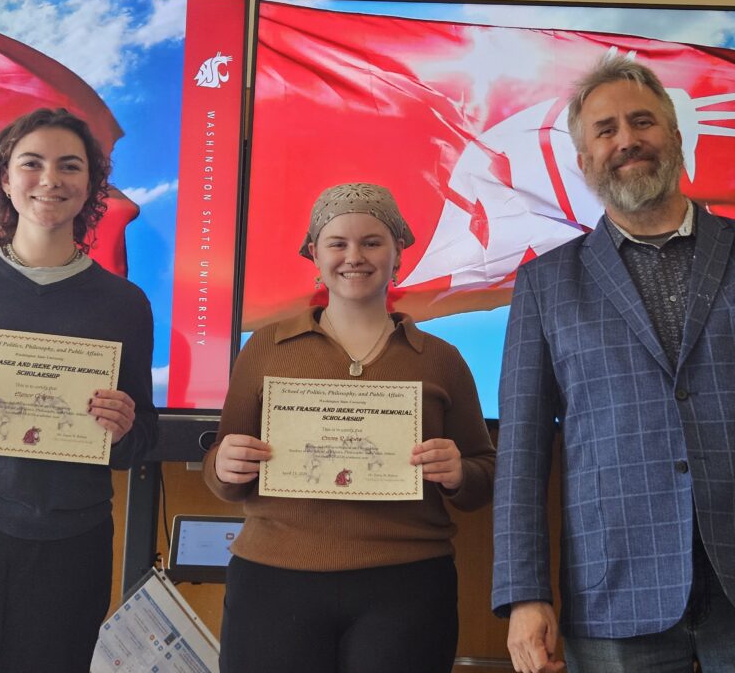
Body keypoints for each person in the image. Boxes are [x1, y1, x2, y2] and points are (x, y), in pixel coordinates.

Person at [492, 56, 735, 673]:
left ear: (676, 136)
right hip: (614, 590)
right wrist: (524, 594)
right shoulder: (545, 285)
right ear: (584, 161)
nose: (626, 139)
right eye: (606, 130)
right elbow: (521, 453)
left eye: (642, 122)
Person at [203, 182, 495, 673]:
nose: (354, 256)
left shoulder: (442, 360)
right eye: (337, 243)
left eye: (371, 242)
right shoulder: (265, 348)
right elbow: (222, 473)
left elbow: (483, 475)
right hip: (273, 584)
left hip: (406, 588)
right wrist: (225, 465)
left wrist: (460, 473)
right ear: (314, 253)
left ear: (398, 252)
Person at [0, 108, 157, 673]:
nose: (50, 179)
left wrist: (123, 426)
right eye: (31, 163)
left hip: (72, 537)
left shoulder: (125, 304)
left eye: (70, 166)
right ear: (5, 177)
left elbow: (141, 440)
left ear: (90, 184)